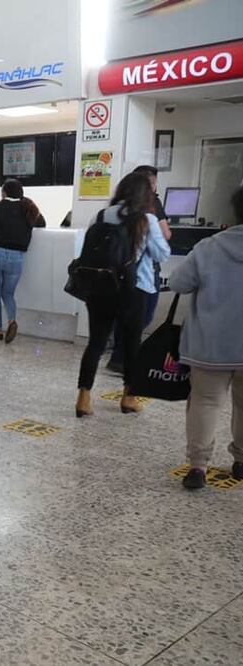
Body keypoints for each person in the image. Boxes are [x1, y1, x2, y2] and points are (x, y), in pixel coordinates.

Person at [75, 172, 170, 418]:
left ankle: (83, 397)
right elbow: (161, 254)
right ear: (145, 195)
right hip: (133, 288)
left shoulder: (102, 215)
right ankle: (129, 396)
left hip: (99, 286)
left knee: (96, 343)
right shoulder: (147, 219)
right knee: (131, 344)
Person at [171, 187, 243, 489]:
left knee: (205, 402)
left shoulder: (209, 246)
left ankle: (198, 467)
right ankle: (240, 462)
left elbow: (178, 282)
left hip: (209, 345)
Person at [106, 165, 174, 375]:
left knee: (100, 337)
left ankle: (86, 393)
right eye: (152, 184)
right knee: (139, 323)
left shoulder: (104, 214)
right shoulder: (149, 216)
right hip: (138, 280)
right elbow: (163, 249)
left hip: (106, 281)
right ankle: (129, 389)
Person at [0, 179, 41, 342]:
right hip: (17, 258)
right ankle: (12, 320)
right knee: (8, 294)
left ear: (4, 192)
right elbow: (40, 223)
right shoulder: (28, 208)